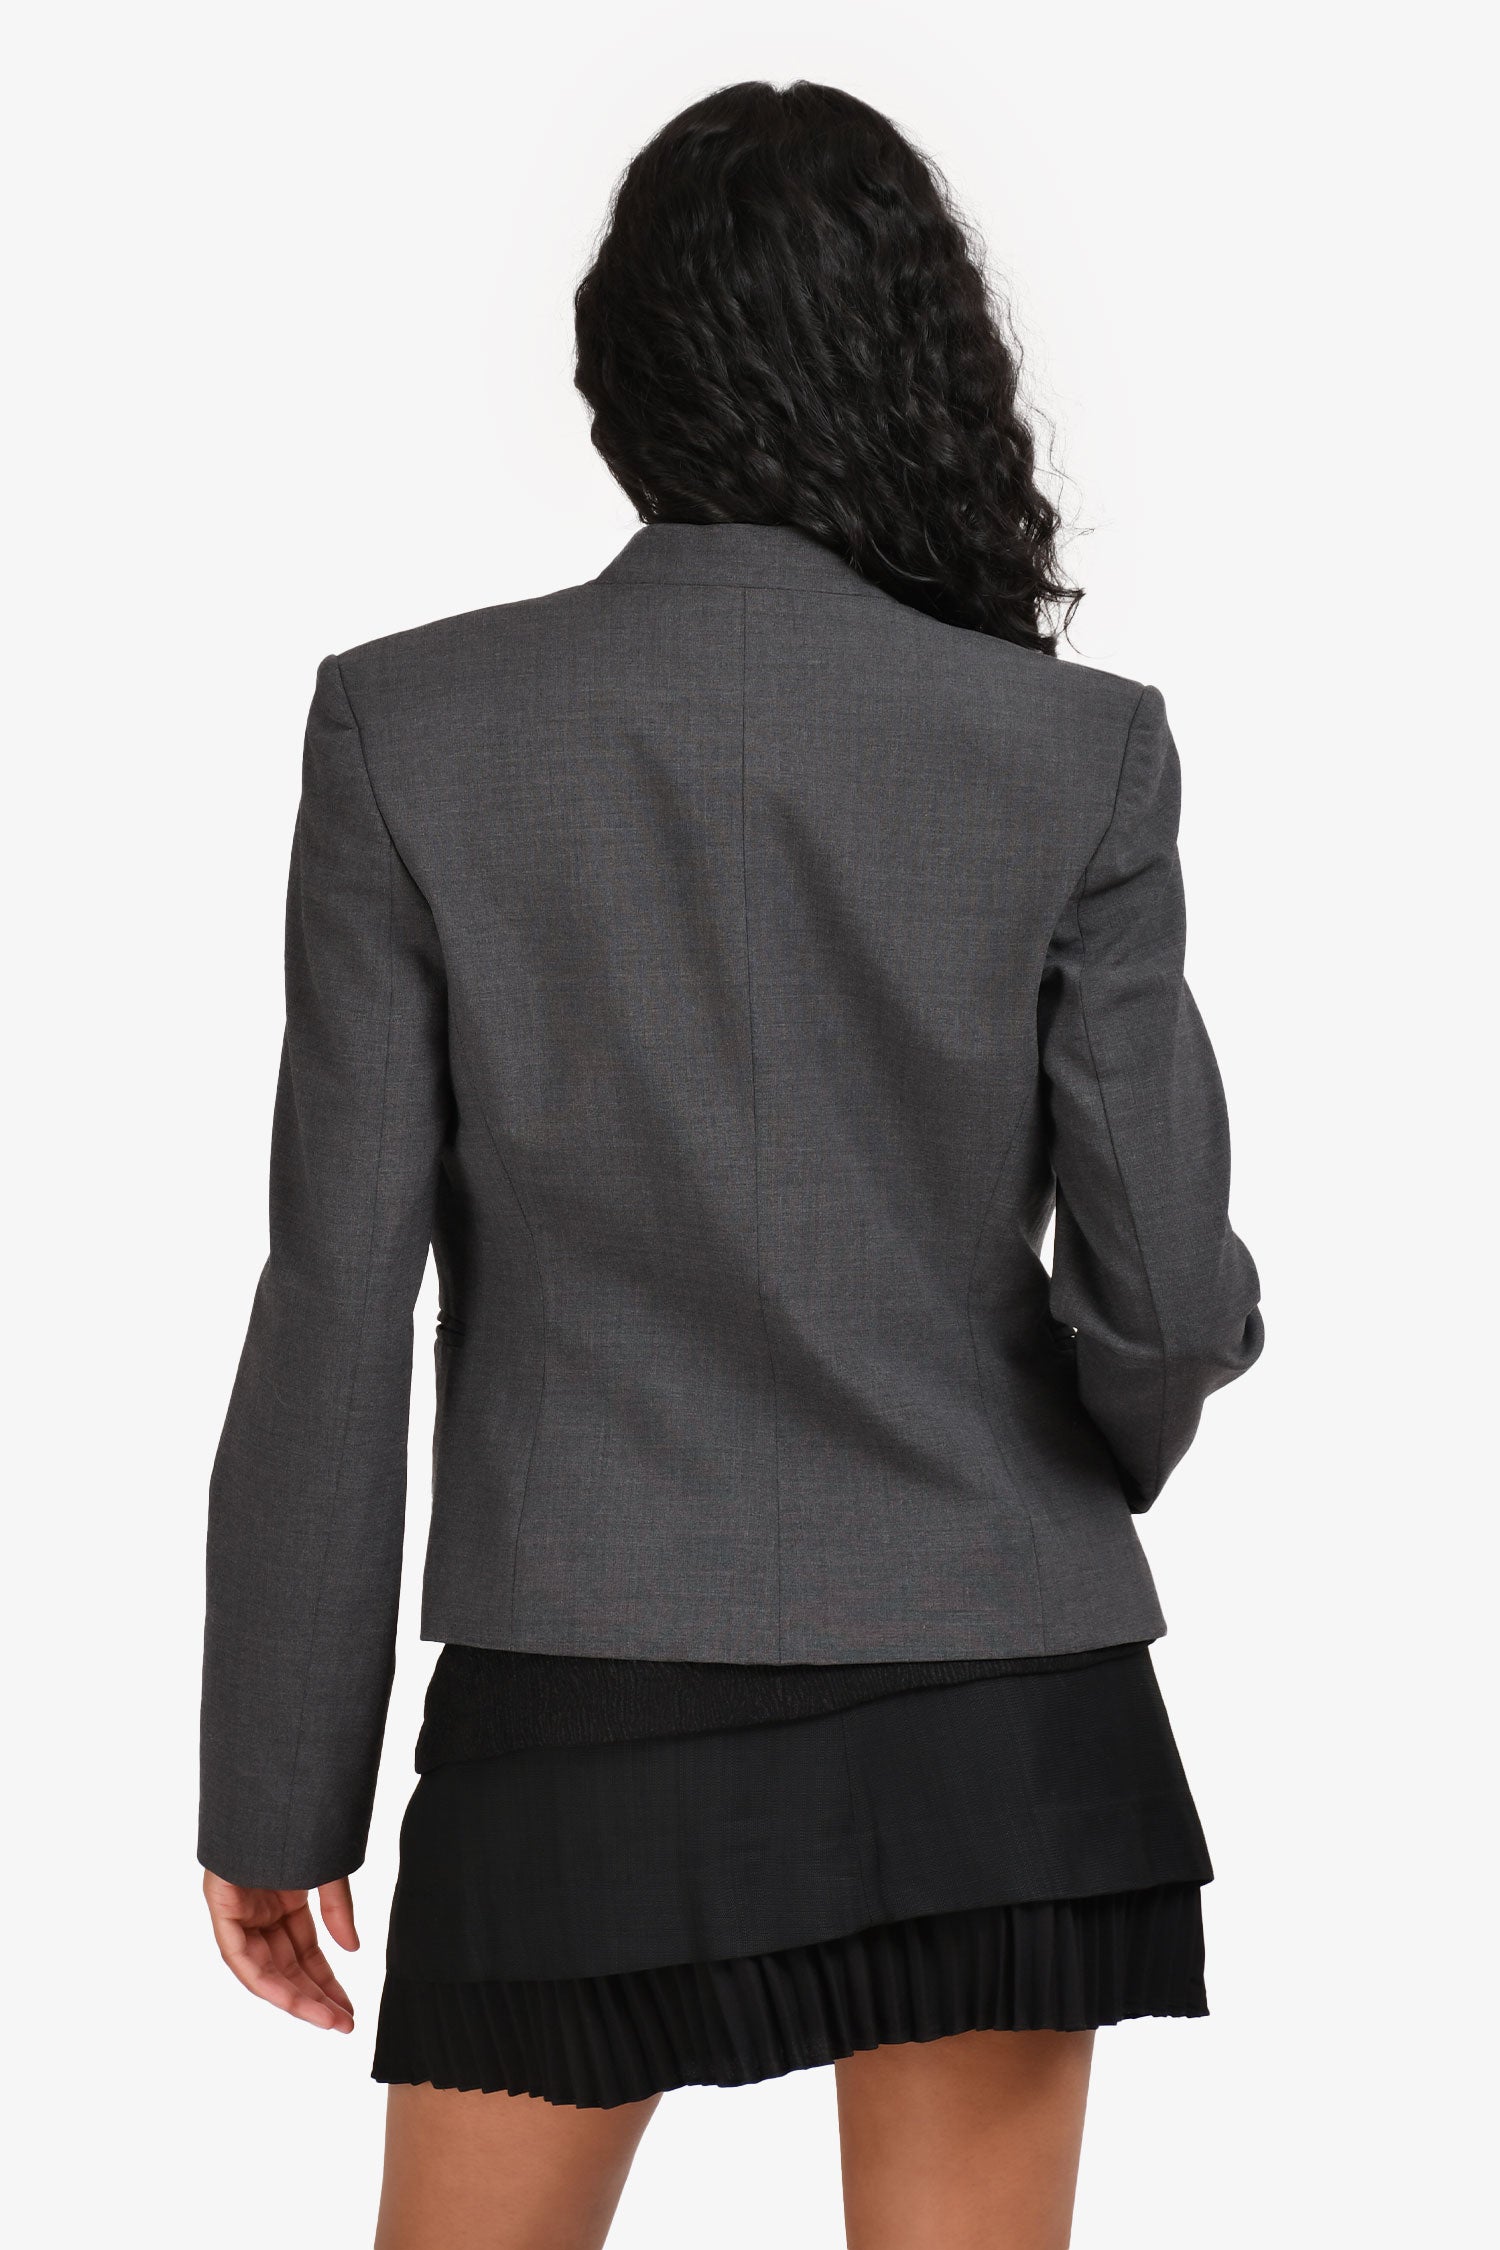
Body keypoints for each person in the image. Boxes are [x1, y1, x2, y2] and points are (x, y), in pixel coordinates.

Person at [199, 79, 1263, 2250]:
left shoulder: (412, 730)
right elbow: (1165, 1295)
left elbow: (336, 1296)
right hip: (999, 1710)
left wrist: (275, 1783)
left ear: (629, 376)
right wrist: (1059, 1477)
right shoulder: (1074, 751)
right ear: (912, 365)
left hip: (576, 1702)